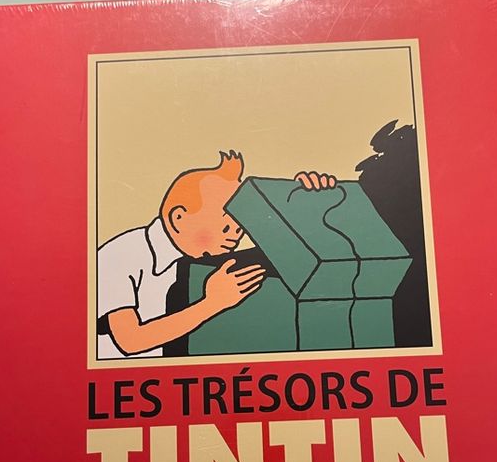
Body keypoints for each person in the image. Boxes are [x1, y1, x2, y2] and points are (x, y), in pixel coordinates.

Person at [97, 151, 336, 358]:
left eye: (239, 226)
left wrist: (303, 202)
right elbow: (130, 341)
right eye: (225, 226)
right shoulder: (120, 255)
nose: (236, 235)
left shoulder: (208, 257)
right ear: (178, 218)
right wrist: (212, 303)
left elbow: (293, 257)